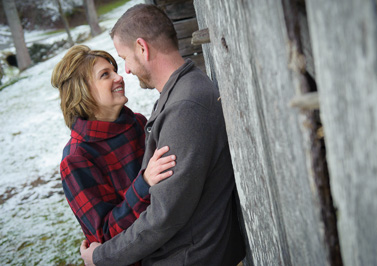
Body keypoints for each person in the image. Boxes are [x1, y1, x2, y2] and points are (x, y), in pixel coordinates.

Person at [81, 4, 246, 266]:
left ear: (142, 48)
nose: (126, 71)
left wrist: (100, 257)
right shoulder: (180, 92)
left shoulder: (185, 109)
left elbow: (163, 217)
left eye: (124, 58)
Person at [51, 45, 176, 257]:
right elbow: (105, 237)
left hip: (174, 243)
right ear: (83, 91)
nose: (119, 78)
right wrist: (143, 184)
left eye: (115, 71)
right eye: (105, 75)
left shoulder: (137, 122)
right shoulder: (76, 159)